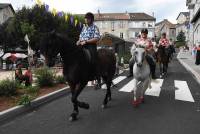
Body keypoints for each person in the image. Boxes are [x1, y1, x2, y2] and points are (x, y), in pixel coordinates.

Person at [76, 12, 100, 78]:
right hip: (82, 44)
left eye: (87, 18)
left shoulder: (95, 28)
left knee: (93, 58)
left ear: (91, 19)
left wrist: (86, 41)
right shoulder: (84, 27)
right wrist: (78, 41)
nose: (85, 20)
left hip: (91, 45)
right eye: (85, 18)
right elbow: (81, 36)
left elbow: (97, 38)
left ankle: (95, 74)